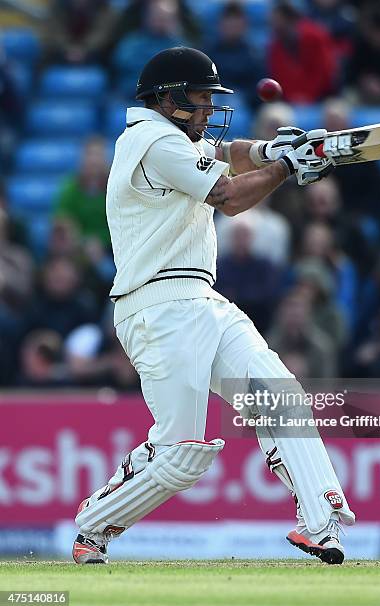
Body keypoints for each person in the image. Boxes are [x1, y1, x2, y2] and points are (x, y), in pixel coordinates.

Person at [71, 46, 355, 566]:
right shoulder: (150, 139)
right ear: (169, 99)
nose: (209, 110)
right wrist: (288, 169)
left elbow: (229, 155)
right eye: (201, 99)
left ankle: (321, 523)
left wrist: (273, 153)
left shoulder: (175, 140)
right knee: (181, 455)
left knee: (280, 396)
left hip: (203, 298)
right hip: (157, 305)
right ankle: (93, 525)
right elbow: (227, 195)